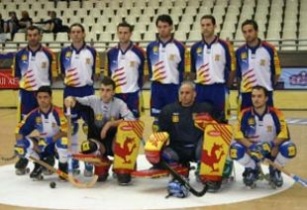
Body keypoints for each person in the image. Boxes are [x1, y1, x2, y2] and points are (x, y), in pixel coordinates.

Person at [145, 81, 230, 191]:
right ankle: (180, 169)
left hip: (198, 149)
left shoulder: (206, 109)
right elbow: (160, 133)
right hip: (177, 150)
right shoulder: (168, 111)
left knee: (209, 142)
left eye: (187, 93)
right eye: (182, 93)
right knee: (161, 155)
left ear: (194, 94)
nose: (184, 96)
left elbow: (221, 126)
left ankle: (210, 174)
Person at [64, 76, 135, 184]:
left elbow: (131, 119)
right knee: (87, 147)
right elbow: (76, 100)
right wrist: (70, 99)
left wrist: (110, 124)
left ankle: (121, 166)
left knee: (124, 141)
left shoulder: (119, 104)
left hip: (113, 142)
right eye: (102, 90)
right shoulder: (93, 100)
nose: (104, 93)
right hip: (98, 142)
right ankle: (104, 164)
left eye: (108, 90)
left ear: (113, 92)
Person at [230, 85, 296, 187]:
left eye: (259, 96)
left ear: (266, 98)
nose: (256, 99)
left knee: (290, 148)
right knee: (234, 150)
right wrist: (252, 146)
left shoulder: (277, 113)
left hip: (272, 150)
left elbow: (284, 134)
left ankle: (275, 170)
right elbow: (238, 135)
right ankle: (252, 169)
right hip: (252, 151)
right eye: (253, 96)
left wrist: (271, 144)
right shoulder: (244, 113)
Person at [13, 25, 55, 175]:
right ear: (27, 37)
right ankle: (23, 158)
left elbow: (52, 76)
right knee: (23, 128)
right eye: (29, 35)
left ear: (40, 36)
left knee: (46, 128)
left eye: (35, 35)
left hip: (43, 95)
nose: (32, 37)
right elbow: (17, 76)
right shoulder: (19, 55)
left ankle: (47, 158)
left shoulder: (49, 54)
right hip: (26, 96)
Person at [59, 23, 99, 175]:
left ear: (83, 34)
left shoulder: (92, 52)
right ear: (70, 34)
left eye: (78, 32)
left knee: (90, 128)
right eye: (73, 32)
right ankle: (74, 161)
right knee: (72, 128)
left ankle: (89, 161)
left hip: (87, 91)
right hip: (70, 92)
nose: (76, 34)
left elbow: (94, 74)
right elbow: (63, 73)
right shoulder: (63, 52)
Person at [14, 86, 68, 179]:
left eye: (45, 97)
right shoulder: (33, 114)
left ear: (51, 98)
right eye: (40, 97)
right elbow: (19, 131)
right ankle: (39, 164)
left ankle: (63, 167)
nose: (42, 100)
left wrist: (51, 139)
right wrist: (20, 144)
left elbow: (66, 131)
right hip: (41, 146)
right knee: (23, 143)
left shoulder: (59, 112)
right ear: (37, 98)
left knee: (64, 141)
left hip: (56, 146)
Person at [190, 15, 236, 122]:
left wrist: (226, 86)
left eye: (208, 25)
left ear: (215, 26)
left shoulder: (225, 46)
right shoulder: (195, 47)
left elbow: (232, 69)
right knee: (200, 122)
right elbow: (192, 72)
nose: (205, 28)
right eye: (202, 25)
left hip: (218, 89)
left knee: (220, 121)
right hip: (200, 89)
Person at [146, 14, 187, 131]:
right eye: (159, 27)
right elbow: (150, 68)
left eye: (165, 26)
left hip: (173, 88)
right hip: (157, 88)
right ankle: (158, 147)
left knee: (175, 120)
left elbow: (183, 70)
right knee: (157, 122)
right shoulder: (150, 47)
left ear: (171, 27)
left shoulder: (180, 47)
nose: (162, 29)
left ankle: (174, 146)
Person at [236, 19, 281, 111]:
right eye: (244, 32)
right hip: (246, 94)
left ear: (256, 31)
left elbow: (276, 73)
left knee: (267, 122)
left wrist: (268, 86)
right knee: (245, 124)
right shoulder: (239, 52)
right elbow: (238, 76)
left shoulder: (270, 49)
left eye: (250, 31)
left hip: (265, 93)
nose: (247, 34)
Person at [105, 22, 145, 118]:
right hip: (116, 95)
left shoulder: (139, 52)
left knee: (134, 125)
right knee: (114, 126)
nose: (122, 35)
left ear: (130, 34)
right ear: (117, 33)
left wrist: (138, 88)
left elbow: (143, 73)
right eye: (120, 32)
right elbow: (108, 76)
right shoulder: (111, 53)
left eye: (125, 33)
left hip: (133, 94)